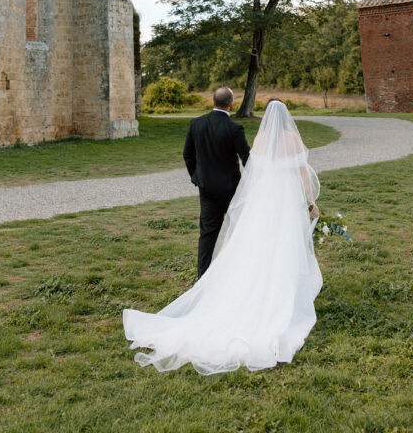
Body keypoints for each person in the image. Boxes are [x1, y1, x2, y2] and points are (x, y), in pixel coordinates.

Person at [123, 99, 322, 374]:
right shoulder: (292, 139)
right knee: (285, 244)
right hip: (286, 198)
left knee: (259, 246)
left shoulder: (262, 138)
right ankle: (283, 290)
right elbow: (302, 173)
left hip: (265, 200)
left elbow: (254, 171)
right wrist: (311, 201)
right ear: (286, 116)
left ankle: (254, 286)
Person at [182, 86, 250, 277]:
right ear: (231, 104)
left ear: (214, 101)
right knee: (238, 230)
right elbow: (246, 158)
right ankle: (240, 272)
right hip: (232, 190)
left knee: (207, 235)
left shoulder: (196, 123)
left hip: (207, 190)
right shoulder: (235, 128)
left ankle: (202, 277)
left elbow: (188, 154)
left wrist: (197, 177)